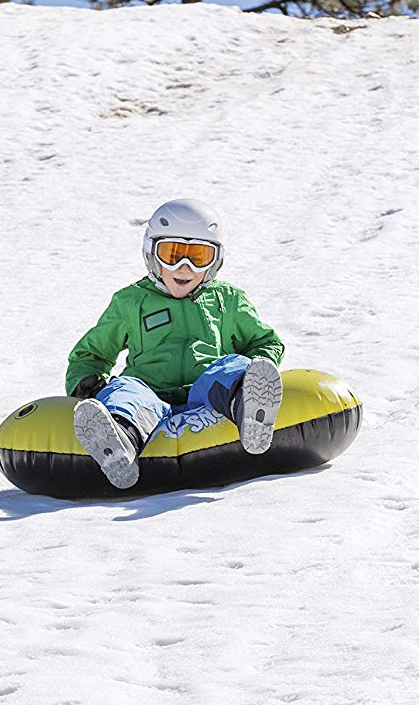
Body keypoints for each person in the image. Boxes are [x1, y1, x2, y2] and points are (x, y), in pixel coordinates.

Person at [66, 198, 285, 489]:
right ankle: (120, 441)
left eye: (199, 257)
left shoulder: (228, 300)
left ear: (215, 261)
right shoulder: (131, 301)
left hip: (206, 391)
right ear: (152, 255)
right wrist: (87, 384)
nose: (184, 268)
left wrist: (254, 367)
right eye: (172, 254)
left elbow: (264, 341)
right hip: (149, 393)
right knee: (125, 389)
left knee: (231, 366)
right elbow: (92, 352)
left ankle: (248, 406)